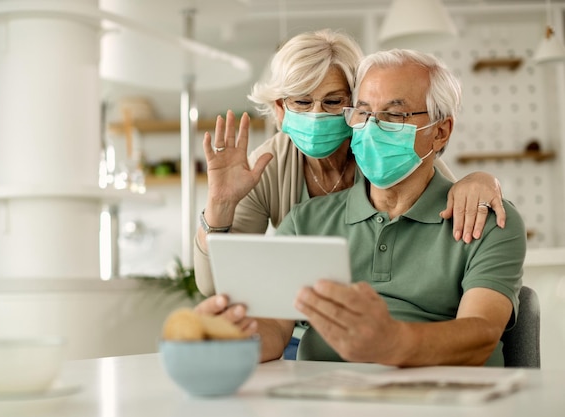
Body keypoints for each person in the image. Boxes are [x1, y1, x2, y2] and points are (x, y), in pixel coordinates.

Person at [197, 49, 526, 367]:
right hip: (324, 397)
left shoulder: (486, 222)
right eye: (364, 112)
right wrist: (233, 338)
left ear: (440, 131)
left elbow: (481, 334)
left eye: (394, 114)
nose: (371, 127)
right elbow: (274, 327)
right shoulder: (304, 221)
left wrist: (393, 343)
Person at [194, 29, 505, 296]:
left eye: (333, 102)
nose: (316, 114)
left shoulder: (381, 149)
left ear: (357, 104)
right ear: (279, 109)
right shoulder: (266, 166)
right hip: (301, 329)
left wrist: (479, 180)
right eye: (302, 101)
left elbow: (442, 193)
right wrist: (219, 205)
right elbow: (216, 285)